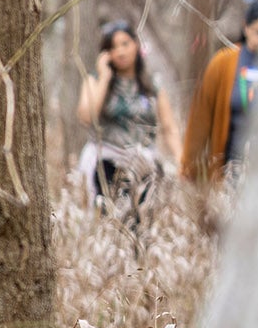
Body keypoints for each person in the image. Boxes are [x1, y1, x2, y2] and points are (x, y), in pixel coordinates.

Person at [77, 20, 183, 219]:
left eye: (125, 44)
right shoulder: (94, 80)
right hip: (106, 164)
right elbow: (86, 117)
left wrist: (180, 159)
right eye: (113, 47)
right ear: (105, 53)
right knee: (107, 222)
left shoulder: (152, 84)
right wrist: (105, 77)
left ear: (136, 45)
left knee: (142, 223)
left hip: (144, 166)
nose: (120, 52)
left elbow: (169, 127)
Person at [182, 0, 258, 182]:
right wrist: (189, 167)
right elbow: (200, 118)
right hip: (230, 169)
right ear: (246, 28)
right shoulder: (223, 63)